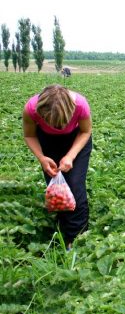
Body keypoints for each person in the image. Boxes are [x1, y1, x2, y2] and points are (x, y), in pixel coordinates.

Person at [23, 84, 93, 249]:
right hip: (47, 142)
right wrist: (42, 158)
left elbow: (86, 131)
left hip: (76, 140)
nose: (57, 127)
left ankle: (77, 239)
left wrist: (70, 156)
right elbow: (29, 134)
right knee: (56, 189)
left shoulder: (81, 105)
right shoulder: (31, 109)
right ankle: (62, 227)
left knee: (75, 185)